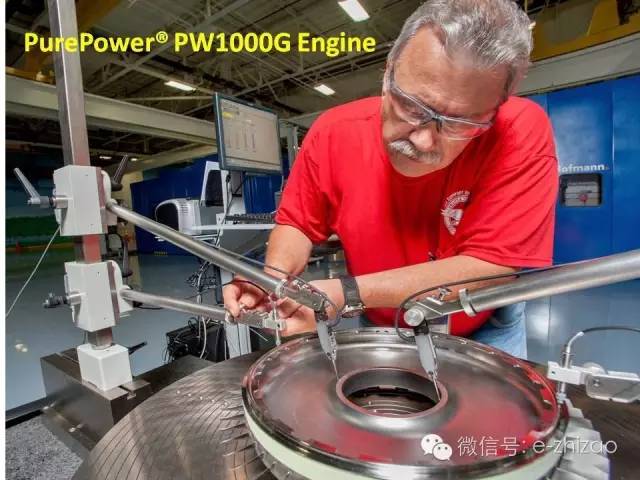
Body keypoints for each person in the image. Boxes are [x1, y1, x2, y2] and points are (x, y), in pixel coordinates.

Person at [223, 0, 558, 358]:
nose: (424, 140)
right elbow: (299, 224)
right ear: (387, 74)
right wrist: (275, 282)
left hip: (480, 322)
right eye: (412, 107)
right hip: (381, 316)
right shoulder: (333, 133)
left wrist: (346, 294)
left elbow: (491, 264)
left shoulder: (519, 131)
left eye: (459, 124)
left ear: (494, 110)